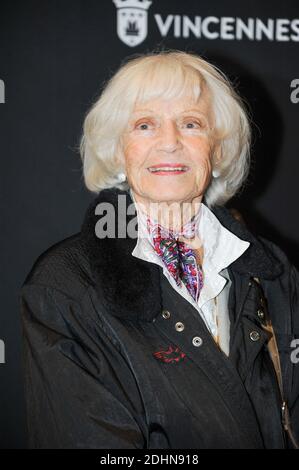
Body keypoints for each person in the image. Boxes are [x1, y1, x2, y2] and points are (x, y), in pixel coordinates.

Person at [20, 50, 299, 449]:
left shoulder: (274, 273)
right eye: (145, 125)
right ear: (119, 150)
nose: (170, 143)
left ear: (217, 150)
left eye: (191, 123)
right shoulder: (63, 286)